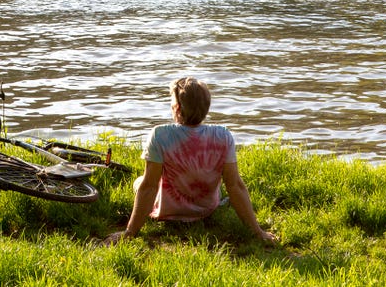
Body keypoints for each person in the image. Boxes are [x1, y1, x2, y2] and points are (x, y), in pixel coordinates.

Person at [105, 77, 276, 245]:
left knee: (139, 182)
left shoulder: (160, 135)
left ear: (177, 108)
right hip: (206, 209)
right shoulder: (223, 136)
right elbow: (235, 185)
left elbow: (149, 186)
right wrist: (258, 232)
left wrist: (129, 232)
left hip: (166, 211)